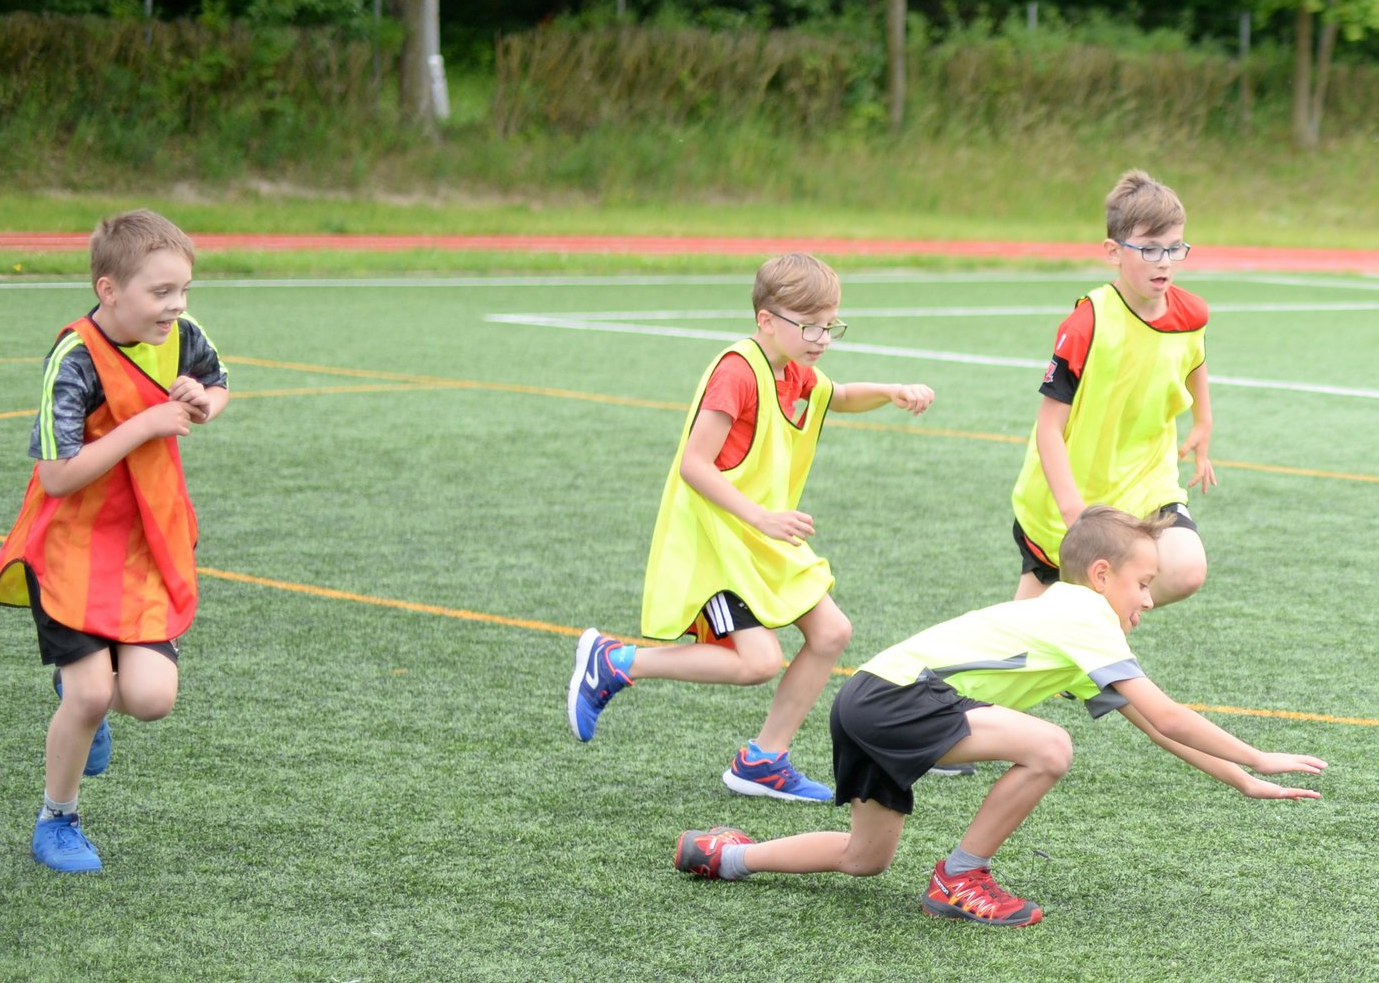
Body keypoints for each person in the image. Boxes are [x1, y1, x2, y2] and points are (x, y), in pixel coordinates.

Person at [672, 506, 1326, 926]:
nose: (1150, 601)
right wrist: (1258, 754)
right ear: (1102, 575)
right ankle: (960, 877)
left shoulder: (1070, 622)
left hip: (868, 699)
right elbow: (1170, 714)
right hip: (900, 699)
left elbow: (1155, 727)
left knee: (863, 857)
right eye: (1144, 583)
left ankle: (726, 856)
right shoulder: (1084, 613)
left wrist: (1242, 780)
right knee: (1050, 746)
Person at [566, 252, 934, 803]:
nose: (822, 338)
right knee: (758, 662)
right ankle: (617, 662)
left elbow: (834, 396)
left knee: (832, 633)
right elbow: (694, 465)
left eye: (830, 325)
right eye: (810, 326)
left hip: (760, 536)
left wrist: (889, 391)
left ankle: (763, 760)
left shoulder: (793, 369)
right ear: (767, 320)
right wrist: (762, 516)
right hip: (719, 542)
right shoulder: (737, 372)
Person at [0, 209, 229, 873]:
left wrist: (202, 401)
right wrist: (146, 423)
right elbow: (57, 475)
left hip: (146, 544)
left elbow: (219, 385)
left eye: (183, 290)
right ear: (110, 289)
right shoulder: (74, 357)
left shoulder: (180, 334)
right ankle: (58, 818)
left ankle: (77, 696)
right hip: (71, 548)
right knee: (93, 692)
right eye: (161, 292)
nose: (176, 305)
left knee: (152, 698)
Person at [1010, 169, 1213, 607]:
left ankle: (1101, 622)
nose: (1164, 261)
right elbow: (1049, 429)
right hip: (1069, 500)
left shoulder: (1191, 314)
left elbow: (1194, 359)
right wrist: (1076, 516)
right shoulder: (1088, 322)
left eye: (1175, 248)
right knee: (1026, 635)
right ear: (1113, 252)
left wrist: (1204, 421)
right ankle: (1083, 625)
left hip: (1147, 483)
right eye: (1150, 249)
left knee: (1186, 568)